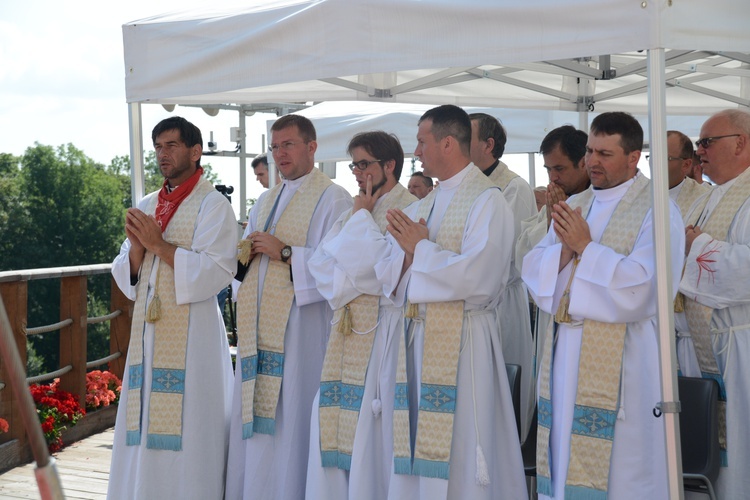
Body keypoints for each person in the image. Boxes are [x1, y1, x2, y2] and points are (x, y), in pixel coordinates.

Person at [522, 111, 685, 499]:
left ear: (633, 157)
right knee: (563, 451)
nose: (593, 161)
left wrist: (585, 248)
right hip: (565, 354)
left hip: (626, 359)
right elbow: (533, 269)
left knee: (623, 468)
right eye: (591, 151)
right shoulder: (578, 204)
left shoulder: (658, 211)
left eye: (606, 154)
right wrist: (563, 254)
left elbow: (647, 286)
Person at [381, 105, 527, 499]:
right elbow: (388, 272)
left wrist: (421, 250)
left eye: (422, 142)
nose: (416, 151)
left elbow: (481, 277)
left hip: (464, 341)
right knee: (418, 443)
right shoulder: (424, 203)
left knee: (462, 445)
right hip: (420, 339)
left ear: (447, 143)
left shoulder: (488, 201)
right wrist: (411, 254)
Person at [108, 116, 237, 499]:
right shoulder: (148, 203)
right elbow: (124, 272)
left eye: (172, 146)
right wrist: (135, 249)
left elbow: (217, 272)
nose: (163, 154)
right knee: (143, 422)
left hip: (193, 336)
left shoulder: (214, 207)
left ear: (195, 152)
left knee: (191, 424)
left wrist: (159, 245)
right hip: (147, 336)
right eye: (158, 147)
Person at [225, 114, 353, 500]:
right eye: (275, 146)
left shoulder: (335, 198)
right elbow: (244, 262)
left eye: (288, 145)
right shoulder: (264, 199)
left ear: (312, 147)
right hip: (259, 330)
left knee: (293, 414)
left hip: (302, 329)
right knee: (259, 426)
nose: (279, 153)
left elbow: (338, 266)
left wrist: (285, 252)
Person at [305, 131, 416, 500]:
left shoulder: (409, 210)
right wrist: (360, 223)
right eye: (354, 164)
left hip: (383, 334)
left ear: (389, 165)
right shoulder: (353, 210)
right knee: (333, 423)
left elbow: (379, 273)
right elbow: (320, 268)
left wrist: (361, 224)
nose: (356, 172)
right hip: (345, 334)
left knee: (371, 436)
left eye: (364, 164)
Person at [675, 109, 750, 499]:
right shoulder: (705, 199)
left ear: (741, 142)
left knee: (739, 456)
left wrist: (697, 246)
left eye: (707, 142)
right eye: (699, 142)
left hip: (739, 349)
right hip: (699, 348)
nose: (699, 151)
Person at [515, 125, 590, 427]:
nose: (552, 178)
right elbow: (523, 256)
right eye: (548, 169)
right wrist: (550, 220)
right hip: (553, 319)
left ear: (584, 162)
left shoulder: (600, 202)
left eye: (559, 168)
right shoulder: (557, 202)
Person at [469, 111, 537, 440]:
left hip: (502, 304)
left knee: (503, 403)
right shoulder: (467, 186)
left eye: (466, 138)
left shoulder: (514, 188)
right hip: (472, 306)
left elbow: (510, 256)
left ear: (488, 144)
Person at [665, 130, 711, 219]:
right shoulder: (638, 193)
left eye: (665, 158)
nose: (654, 163)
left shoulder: (704, 199)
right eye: (653, 156)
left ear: (685, 165)